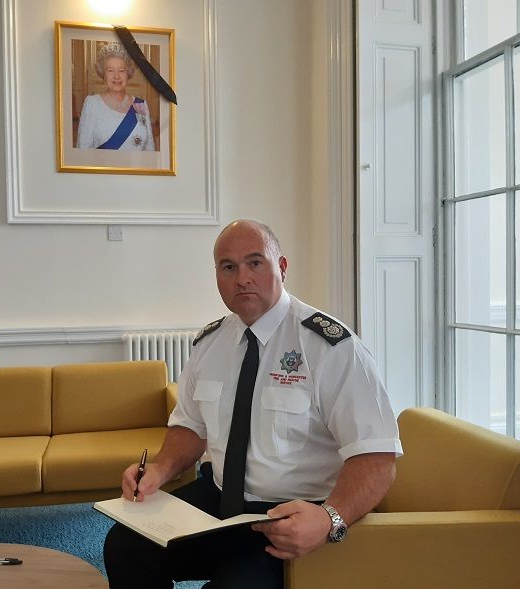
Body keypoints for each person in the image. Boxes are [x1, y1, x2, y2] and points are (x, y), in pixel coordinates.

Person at [103, 220, 402, 589]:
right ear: (217, 276)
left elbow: (376, 457)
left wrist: (329, 519)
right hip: (219, 500)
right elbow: (190, 428)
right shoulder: (210, 344)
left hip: (291, 517)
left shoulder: (331, 348)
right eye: (228, 267)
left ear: (282, 267)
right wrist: (160, 470)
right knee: (126, 545)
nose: (242, 277)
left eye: (255, 263)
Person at [76, 42, 155, 151]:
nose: (116, 76)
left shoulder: (140, 105)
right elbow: (83, 148)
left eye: (121, 70)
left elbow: (149, 147)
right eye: (110, 70)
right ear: (103, 74)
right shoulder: (92, 103)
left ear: (128, 74)